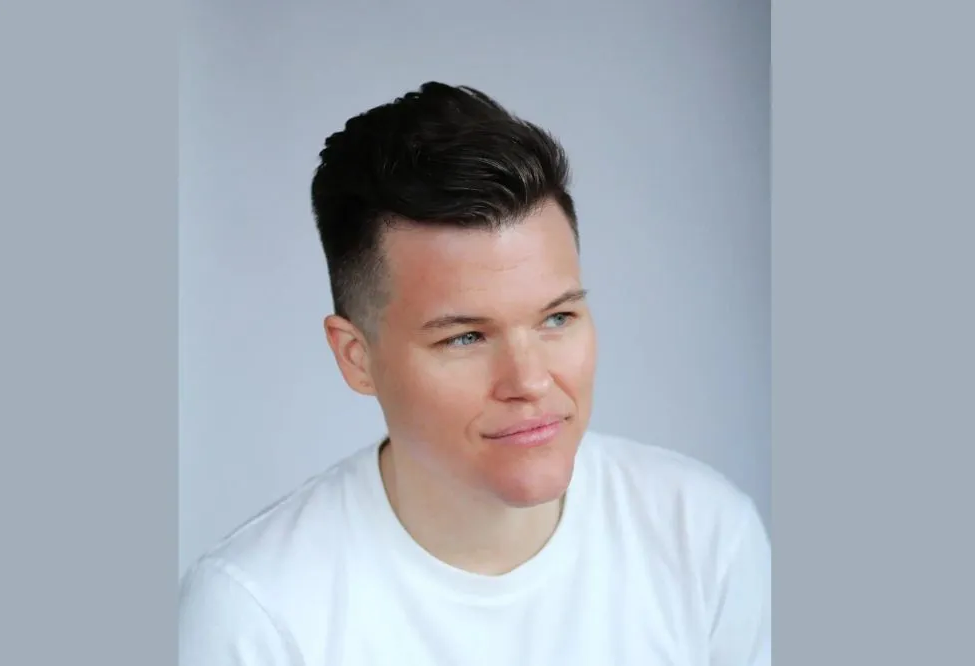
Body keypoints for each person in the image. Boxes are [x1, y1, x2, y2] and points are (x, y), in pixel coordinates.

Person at [178, 82, 771, 665]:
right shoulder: (258, 615)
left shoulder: (703, 535)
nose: (530, 381)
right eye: (465, 337)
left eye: (557, 318)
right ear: (356, 357)